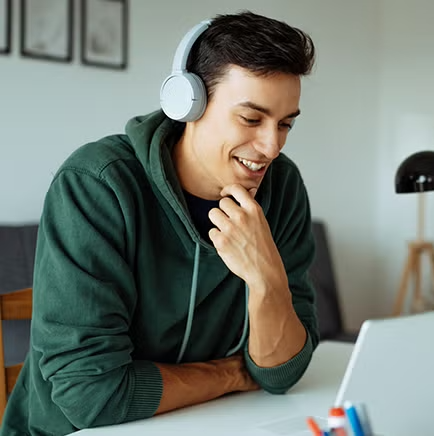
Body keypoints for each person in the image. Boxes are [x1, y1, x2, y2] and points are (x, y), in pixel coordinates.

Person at [2, 11, 319, 436]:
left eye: (285, 124)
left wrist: (267, 280)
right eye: (250, 119)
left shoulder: (283, 189)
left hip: (216, 424)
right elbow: (93, 397)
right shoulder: (97, 185)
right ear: (187, 103)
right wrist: (232, 374)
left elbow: (282, 373)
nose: (271, 147)